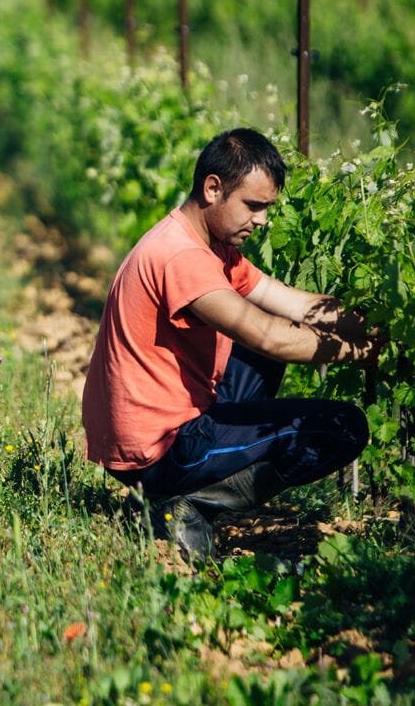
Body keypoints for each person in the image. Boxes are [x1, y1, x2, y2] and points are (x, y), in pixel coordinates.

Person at [81, 127, 382, 562]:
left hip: (157, 431)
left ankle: (179, 494)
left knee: (273, 332)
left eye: (266, 208)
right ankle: (187, 504)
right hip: (158, 450)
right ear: (213, 188)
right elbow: (264, 334)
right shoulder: (181, 257)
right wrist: (360, 353)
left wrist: (374, 327)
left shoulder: (205, 243)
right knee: (341, 428)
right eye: (254, 206)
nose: (262, 220)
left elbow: (292, 304)